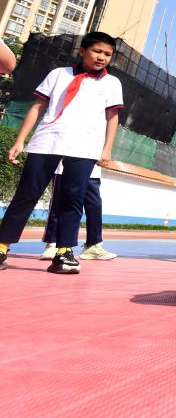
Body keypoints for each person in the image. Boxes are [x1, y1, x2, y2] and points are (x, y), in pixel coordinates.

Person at [0, 32, 123, 274]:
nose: (102, 57)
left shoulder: (112, 83)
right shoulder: (59, 74)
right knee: (27, 194)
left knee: (73, 199)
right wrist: (20, 141)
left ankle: (63, 253)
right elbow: (38, 107)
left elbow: (113, 117)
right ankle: (2, 245)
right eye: (97, 51)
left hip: (84, 148)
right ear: (83, 51)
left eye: (108, 54)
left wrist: (106, 149)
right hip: (47, 142)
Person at [40, 162, 115, 261]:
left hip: (92, 170)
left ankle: (93, 245)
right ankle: (52, 244)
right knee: (58, 203)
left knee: (94, 205)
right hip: (65, 167)